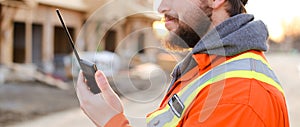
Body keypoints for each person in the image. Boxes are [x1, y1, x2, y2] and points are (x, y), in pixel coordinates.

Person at [76, 0, 290, 126]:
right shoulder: (206, 69)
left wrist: (112, 122)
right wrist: (118, 118)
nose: (160, 7)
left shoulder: (239, 96)